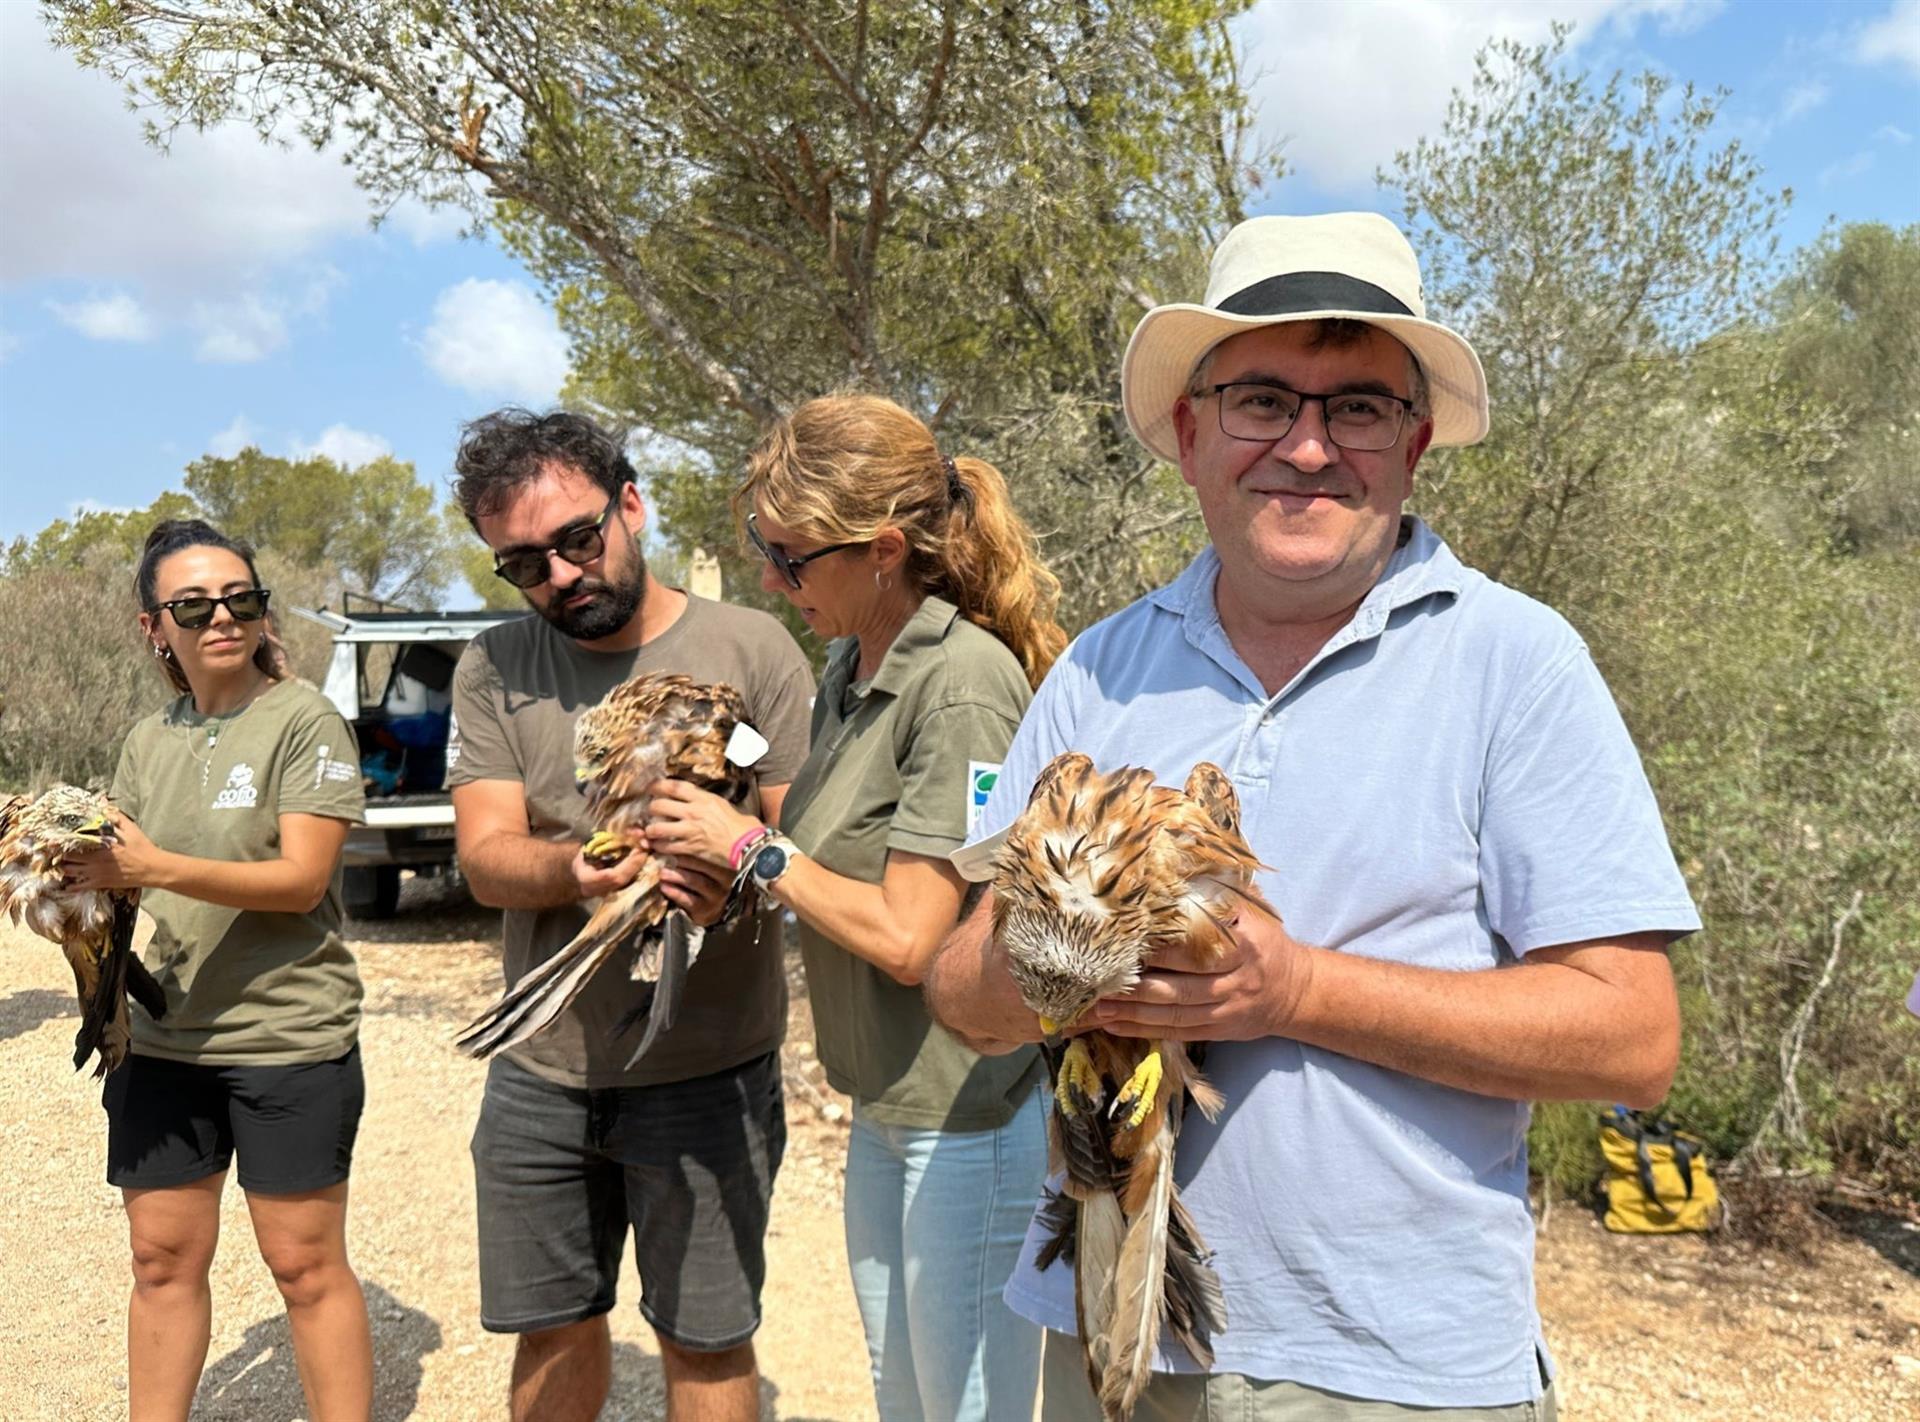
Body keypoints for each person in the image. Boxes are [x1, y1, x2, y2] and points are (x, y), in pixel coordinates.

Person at [925, 213, 1699, 1421]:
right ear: (1190, 433)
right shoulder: (1096, 674)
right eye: (1261, 400)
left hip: (1396, 1372)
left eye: (1358, 409)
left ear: (1416, 443)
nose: (1307, 447)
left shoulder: (1517, 663)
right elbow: (962, 1004)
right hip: (1111, 1327)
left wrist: (1293, 992)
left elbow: (1633, 1042)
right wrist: (1061, 953)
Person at [644, 393, 1066, 1420]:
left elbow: (909, 935)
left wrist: (744, 847)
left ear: (881, 549)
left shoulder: (960, 683)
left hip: (969, 1115)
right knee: (906, 1399)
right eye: (761, 545)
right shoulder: (850, 664)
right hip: (889, 1105)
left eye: (790, 556)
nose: (767, 575)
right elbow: (819, 841)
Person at [444, 408, 815, 1422]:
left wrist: (727, 871)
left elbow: (796, 841)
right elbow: (484, 855)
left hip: (707, 1069)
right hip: (544, 1073)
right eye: (523, 564)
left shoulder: (754, 646)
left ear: (633, 506)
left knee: (706, 1340)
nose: (560, 575)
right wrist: (581, 869)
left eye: (577, 539)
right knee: (552, 1329)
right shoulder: (494, 667)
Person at [60, 518, 373, 1422]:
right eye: (192, 605)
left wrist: (149, 868)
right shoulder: (146, 741)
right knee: (159, 1260)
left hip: (286, 1035)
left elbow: (302, 879)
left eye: (241, 599)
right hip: (160, 1039)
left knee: (303, 1265)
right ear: (155, 626)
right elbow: (117, 889)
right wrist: (63, 887)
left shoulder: (303, 720)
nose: (221, 617)